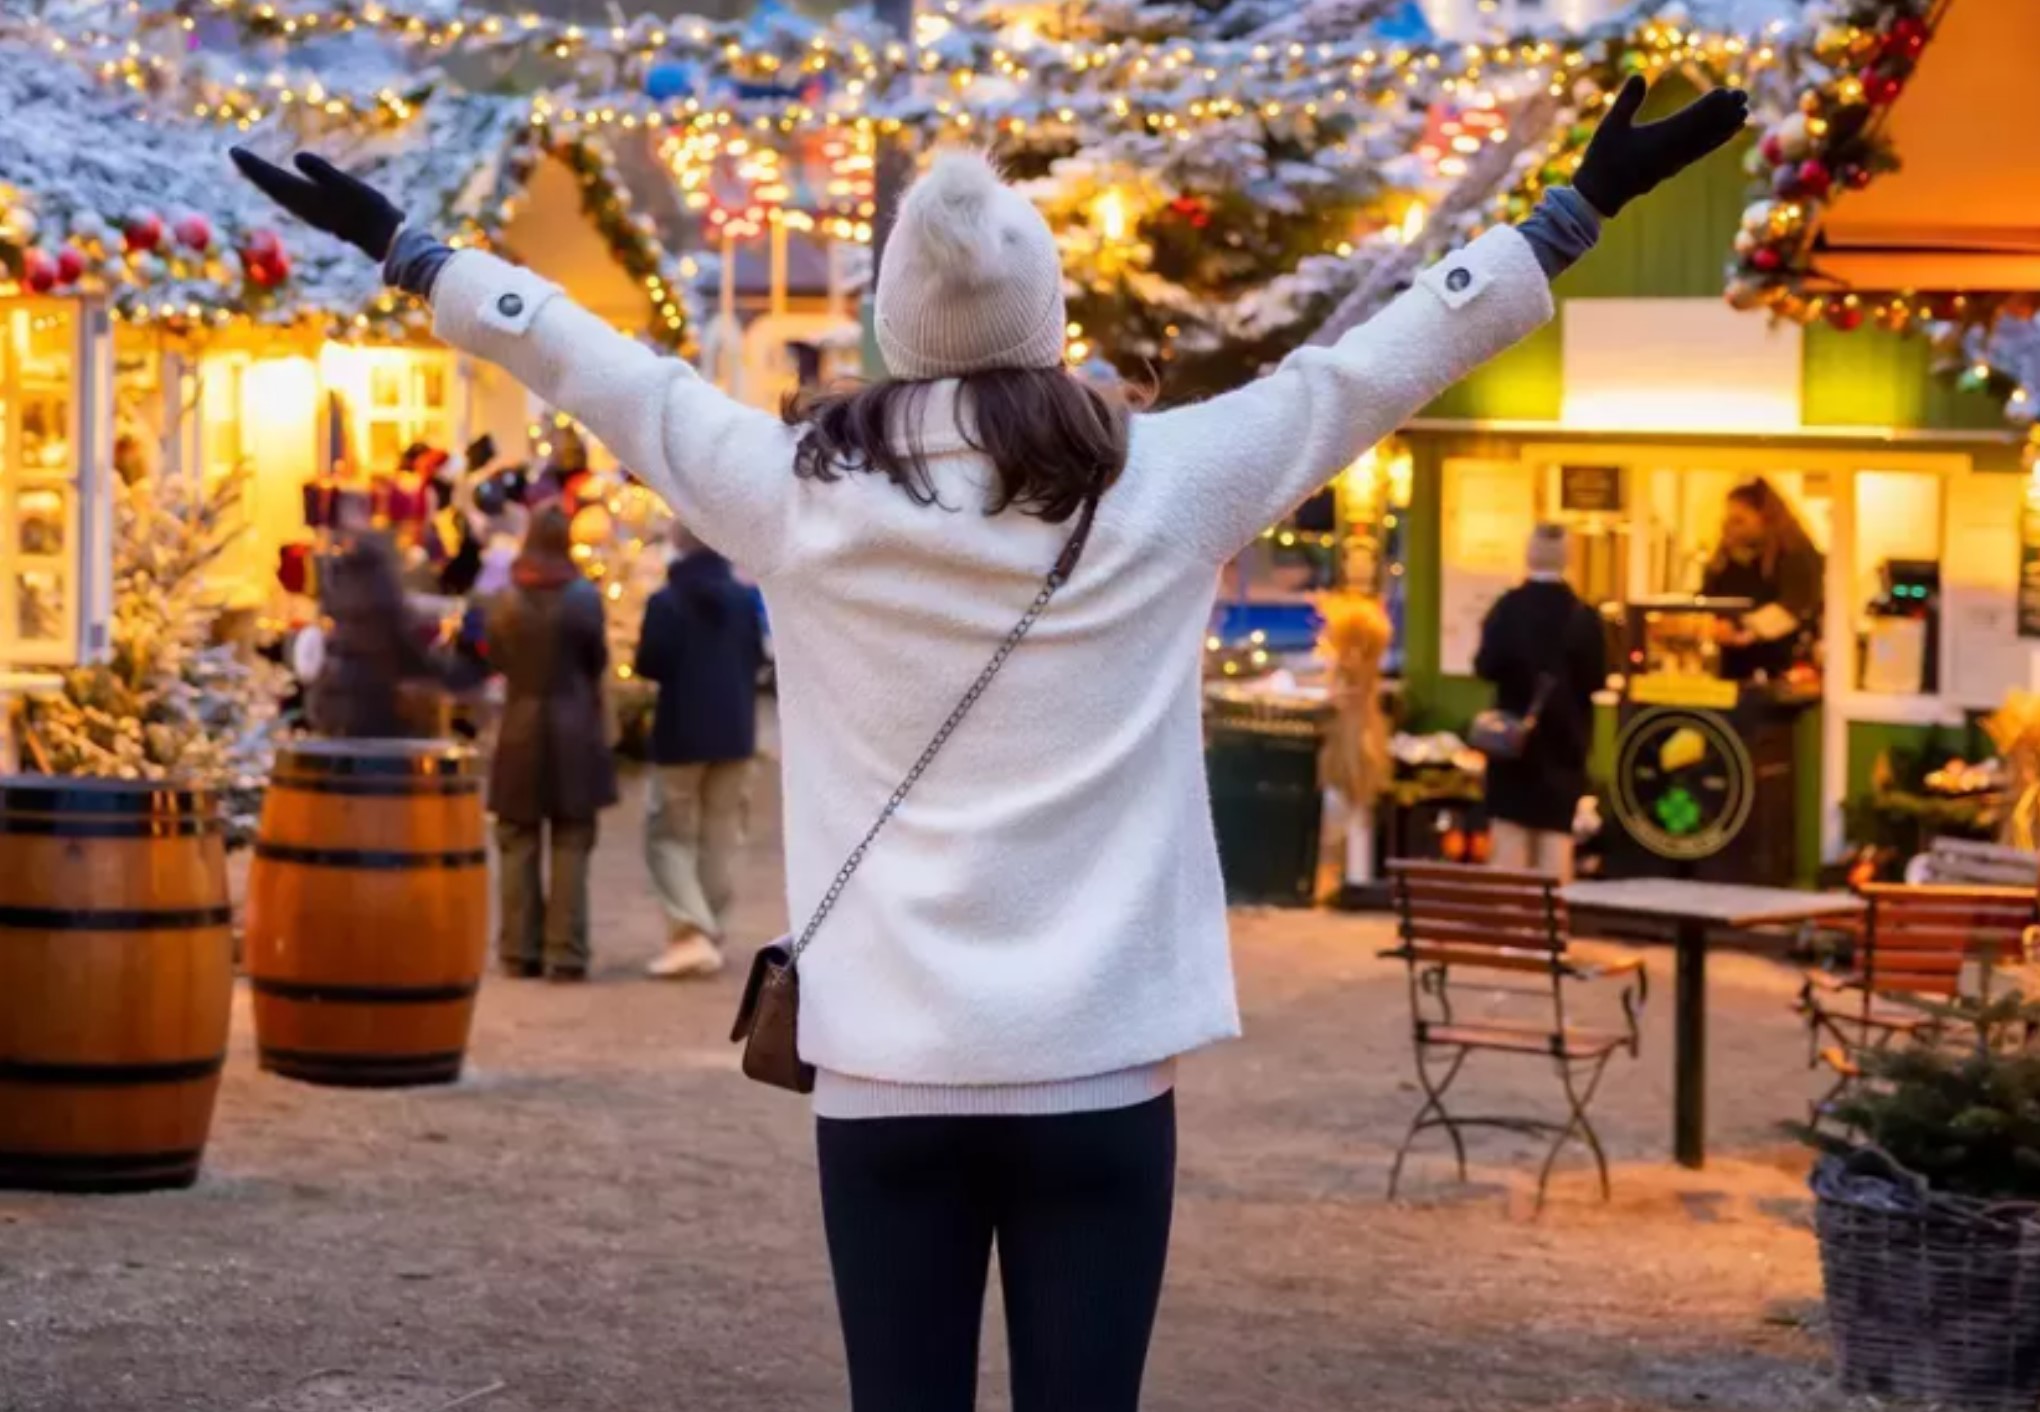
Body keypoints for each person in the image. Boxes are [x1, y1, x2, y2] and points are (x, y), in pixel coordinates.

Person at [233, 76, 1743, 1411]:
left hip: (886, 1071)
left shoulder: (796, 491)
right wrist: (1568, 214)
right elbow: (1364, 373)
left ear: (894, 325)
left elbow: (605, 371)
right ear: (1050, 323)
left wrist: (415, 252)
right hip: (1100, 1072)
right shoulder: (1167, 483)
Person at [482, 506, 619, 981]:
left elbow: (497, 658)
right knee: (571, 839)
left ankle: (518, 950)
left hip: (520, 727)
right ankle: (566, 951)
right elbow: (596, 659)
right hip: (574, 727)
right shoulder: (584, 598)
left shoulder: (505, 599)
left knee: (517, 839)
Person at [635, 522, 764, 980]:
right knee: (720, 837)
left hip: (681, 732)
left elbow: (649, 662)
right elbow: (757, 657)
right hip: (735, 732)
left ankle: (690, 931)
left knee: (669, 834)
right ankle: (710, 930)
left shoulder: (665, 602)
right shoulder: (744, 600)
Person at [1474, 524, 1606, 881]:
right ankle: (1549, 917)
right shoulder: (1582, 616)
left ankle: (1509, 917)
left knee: (1509, 852)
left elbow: (1485, 666)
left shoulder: (1507, 608)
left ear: (1529, 554)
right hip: (1563, 749)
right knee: (1555, 851)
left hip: (1512, 748)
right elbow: (1596, 680)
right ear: (1568, 558)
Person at [309, 494, 439, 738]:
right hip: (374, 697)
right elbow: (402, 640)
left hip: (338, 697)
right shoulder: (382, 592)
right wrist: (439, 670)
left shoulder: (342, 587)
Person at [1700, 476, 1824, 682]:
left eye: (1739, 520)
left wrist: (1744, 628)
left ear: (1766, 518)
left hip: (1785, 670)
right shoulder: (1726, 558)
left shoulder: (1796, 555)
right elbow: (1708, 598)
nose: (1730, 528)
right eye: (1728, 521)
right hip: (1732, 669)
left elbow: (1795, 606)